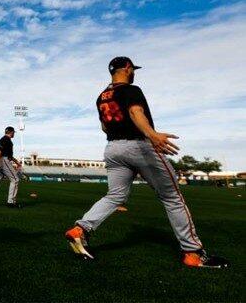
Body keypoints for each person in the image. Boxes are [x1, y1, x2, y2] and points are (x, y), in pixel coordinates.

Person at [65, 56, 229, 268]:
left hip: (113, 148)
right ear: (127, 67)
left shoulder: (101, 97)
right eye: (133, 69)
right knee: (172, 197)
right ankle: (193, 253)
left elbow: (104, 128)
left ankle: (80, 229)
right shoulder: (131, 90)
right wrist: (152, 134)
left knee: (115, 195)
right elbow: (135, 111)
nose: (134, 73)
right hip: (139, 146)